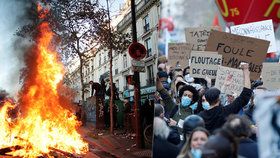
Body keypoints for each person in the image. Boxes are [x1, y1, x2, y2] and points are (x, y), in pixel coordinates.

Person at [198, 63, 252, 133]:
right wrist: (246, 72)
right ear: (219, 99)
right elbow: (245, 95)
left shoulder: (200, 116)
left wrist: (224, 85)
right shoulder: (225, 112)